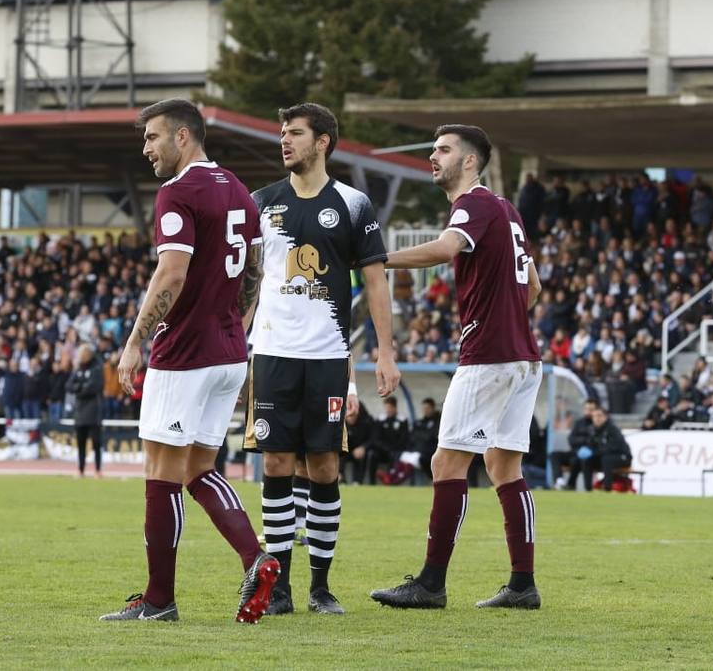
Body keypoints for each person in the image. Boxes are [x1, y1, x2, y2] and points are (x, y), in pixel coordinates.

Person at [100, 99, 279, 624]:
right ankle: (256, 557)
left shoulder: (178, 193)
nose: (146, 148)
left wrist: (135, 342)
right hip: (227, 352)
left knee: (160, 471)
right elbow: (256, 271)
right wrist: (237, 329)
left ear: (183, 136)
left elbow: (172, 274)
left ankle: (159, 600)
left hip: (185, 354)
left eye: (153, 137)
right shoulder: (239, 191)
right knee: (200, 468)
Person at [371, 124, 544, 611]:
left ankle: (430, 583)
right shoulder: (507, 211)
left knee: (447, 463)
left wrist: (378, 258)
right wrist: (506, 316)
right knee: (504, 466)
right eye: (433, 149)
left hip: (489, 356)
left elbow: (447, 249)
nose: (433, 156)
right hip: (524, 357)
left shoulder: (474, 204)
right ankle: (522, 584)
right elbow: (533, 287)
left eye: (443, 150)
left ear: (470, 161)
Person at [242, 102, 400, 616]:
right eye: (282, 133)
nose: (284, 141)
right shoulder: (261, 202)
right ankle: (280, 587)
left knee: (326, 466)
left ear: (323, 141)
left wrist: (385, 353)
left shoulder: (354, 205)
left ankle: (321, 587)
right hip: (271, 353)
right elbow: (248, 283)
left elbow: (375, 281)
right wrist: (232, 339)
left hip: (328, 355)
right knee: (276, 462)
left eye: (295, 133)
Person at [68, 342, 105, 478]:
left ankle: (98, 470)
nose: (80, 356)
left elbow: (94, 387)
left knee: (96, 443)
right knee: (81, 443)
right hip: (80, 412)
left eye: (82, 353)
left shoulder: (96, 368)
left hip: (93, 411)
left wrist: (80, 389)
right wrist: (82, 387)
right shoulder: (78, 370)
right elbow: (69, 386)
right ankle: (81, 469)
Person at [582, 405, 633, 492]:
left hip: (622, 457)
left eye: (599, 416)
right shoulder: (592, 430)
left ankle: (607, 488)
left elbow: (612, 448)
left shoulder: (613, 429)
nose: (596, 418)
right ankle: (588, 489)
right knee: (587, 459)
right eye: (594, 416)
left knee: (607, 459)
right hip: (602, 457)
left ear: (605, 417)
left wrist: (594, 452)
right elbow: (591, 445)